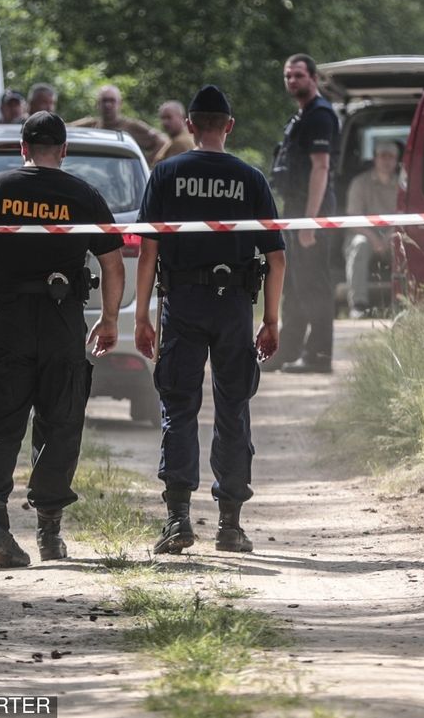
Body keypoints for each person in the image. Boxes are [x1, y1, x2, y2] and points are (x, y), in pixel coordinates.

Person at [0, 111, 125, 569]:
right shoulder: (83, 195)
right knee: (60, 419)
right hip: (62, 318)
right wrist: (108, 320)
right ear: (64, 150)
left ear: (22, 148)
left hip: (7, 319)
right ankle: (49, 532)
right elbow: (113, 263)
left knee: (0, 418)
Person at [134, 85, 285, 556]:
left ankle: (178, 520)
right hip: (235, 307)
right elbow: (277, 259)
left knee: (179, 408)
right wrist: (272, 320)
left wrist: (141, 315)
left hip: (182, 302)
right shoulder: (251, 179)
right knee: (233, 409)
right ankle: (230, 526)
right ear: (230, 127)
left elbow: (148, 251)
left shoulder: (166, 174)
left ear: (191, 126)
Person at [266, 53, 339, 373]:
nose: (292, 81)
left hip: (312, 211)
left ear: (313, 77)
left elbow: (320, 168)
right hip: (295, 209)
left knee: (314, 286)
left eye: (298, 75)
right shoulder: (302, 115)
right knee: (294, 285)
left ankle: (319, 355)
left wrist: (309, 222)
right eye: (287, 76)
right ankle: (288, 350)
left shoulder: (320, 116)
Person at [343, 139, 401, 319]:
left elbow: (404, 216)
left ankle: (404, 303)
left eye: (391, 157)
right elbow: (353, 218)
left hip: (391, 236)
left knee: (405, 245)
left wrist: (390, 236)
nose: (386, 161)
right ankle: (358, 305)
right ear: (375, 159)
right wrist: (374, 238)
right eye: (382, 156)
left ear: (397, 161)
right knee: (359, 245)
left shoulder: (402, 185)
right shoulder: (359, 183)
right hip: (363, 235)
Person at [72, 84, 168, 162]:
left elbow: (163, 141)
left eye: (112, 101)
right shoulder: (91, 125)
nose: (108, 105)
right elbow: (66, 129)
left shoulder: (131, 126)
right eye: (104, 101)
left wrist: (146, 163)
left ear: (120, 104)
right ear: (98, 104)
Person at [155, 100, 196, 164]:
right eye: (162, 118)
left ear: (182, 117)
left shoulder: (181, 142)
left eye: (169, 117)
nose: (165, 122)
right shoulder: (179, 138)